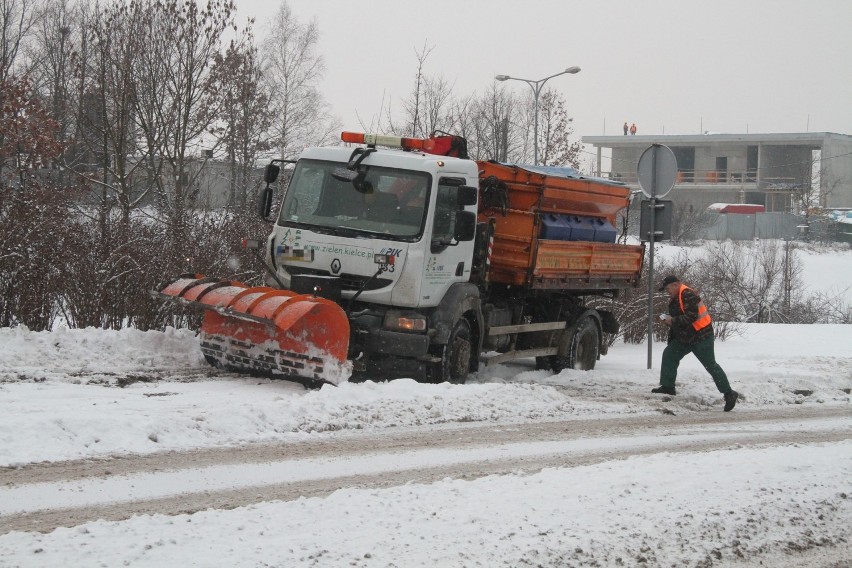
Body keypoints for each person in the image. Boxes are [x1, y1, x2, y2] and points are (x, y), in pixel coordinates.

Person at [654, 275, 738, 412]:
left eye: (668, 288)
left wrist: (672, 320)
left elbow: (691, 317)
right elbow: (680, 318)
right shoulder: (677, 297)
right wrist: (668, 321)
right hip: (686, 337)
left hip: (701, 337)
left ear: (676, 285)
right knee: (670, 354)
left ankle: (729, 393)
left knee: (710, 365)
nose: (667, 291)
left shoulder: (687, 294)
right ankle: (668, 387)